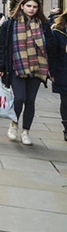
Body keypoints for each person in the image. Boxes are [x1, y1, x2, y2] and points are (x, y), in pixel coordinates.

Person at [0, 0, 57, 146]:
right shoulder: (10, 24)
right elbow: (3, 46)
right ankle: (14, 124)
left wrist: (45, 45)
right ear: (22, 6)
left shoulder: (43, 24)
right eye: (29, 6)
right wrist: (0, 67)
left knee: (30, 101)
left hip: (37, 66)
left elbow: (52, 46)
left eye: (35, 7)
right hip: (17, 65)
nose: (32, 9)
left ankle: (25, 132)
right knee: (19, 98)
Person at [50, 11, 67, 142]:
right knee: (66, 101)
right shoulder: (58, 32)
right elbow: (53, 54)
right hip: (63, 71)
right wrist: (51, 71)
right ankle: (66, 128)